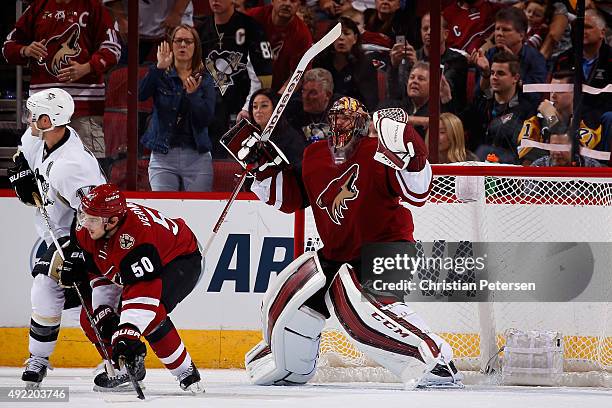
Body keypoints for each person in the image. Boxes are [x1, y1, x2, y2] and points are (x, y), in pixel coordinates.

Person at [241, 96, 463, 388]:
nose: (340, 122)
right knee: (288, 298)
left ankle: (436, 361)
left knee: (361, 310)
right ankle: (290, 366)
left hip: (388, 249)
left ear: (361, 122)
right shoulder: (314, 155)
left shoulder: (379, 152)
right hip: (337, 253)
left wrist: (410, 147)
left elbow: (418, 193)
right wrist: (261, 168)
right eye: (336, 115)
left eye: (348, 117)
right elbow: (292, 197)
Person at [59, 184, 205, 393]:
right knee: (94, 318)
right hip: (137, 263)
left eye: (92, 219)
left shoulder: (137, 242)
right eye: (84, 215)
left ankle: (185, 371)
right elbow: (101, 275)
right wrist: (105, 312)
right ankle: (125, 370)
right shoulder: (90, 230)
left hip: (179, 259)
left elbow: (143, 296)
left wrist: (127, 334)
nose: (84, 223)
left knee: (152, 315)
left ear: (112, 222)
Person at [6, 88, 106, 388]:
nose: (29, 119)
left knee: (88, 299)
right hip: (58, 235)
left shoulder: (72, 165)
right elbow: (22, 158)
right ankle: (39, 358)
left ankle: (116, 358)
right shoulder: (40, 139)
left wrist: (76, 251)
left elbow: (94, 216)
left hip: (87, 237)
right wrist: (22, 178)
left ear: (50, 120)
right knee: (49, 288)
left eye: (35, 115)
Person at [3, 0, 121, 168]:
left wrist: (88, 67)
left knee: (90, 169)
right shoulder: (38, 7)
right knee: (39, 170)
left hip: (83, 108)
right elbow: (8, 47)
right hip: (42, 110)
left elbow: (113, 47)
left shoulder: (93, 7)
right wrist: (25, 50)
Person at [139, 24, 216, 192]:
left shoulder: (205, 79)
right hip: (162, 155)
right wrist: (158, 68)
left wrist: (193, 95)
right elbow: (140, 95)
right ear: (171, 44)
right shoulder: (160, 74)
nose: (182, 45)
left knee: (198, 212)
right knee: (163, 212)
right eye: (178, 40)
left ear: (196, 47)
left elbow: (207, 118)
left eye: (188, 41)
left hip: (196, 156)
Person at [199, 0, 273, 158]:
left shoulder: (252, 28)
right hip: (211, 106)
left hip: (242, 106)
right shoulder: (201, 29)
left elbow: (262, 75)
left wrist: (248, 107)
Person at [466, 51, 534, 163]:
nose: (494, 77)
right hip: (476, 167)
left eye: (501, 73)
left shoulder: (526, 110)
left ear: (515, 78)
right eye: (492, 73)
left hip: (508, 171)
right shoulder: (482, 104)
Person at [388, 13, 468, 107]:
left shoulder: (457, 60)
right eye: (425, 29)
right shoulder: (410, 57)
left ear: (445, 34)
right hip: (412, 112)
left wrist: (417, 66)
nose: (429, 32)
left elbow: (442, 93)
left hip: (445, 114)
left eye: (434, 28)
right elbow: (399, 95)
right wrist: (394, 67)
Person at [246, 0, 313, 91]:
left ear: (299, 5)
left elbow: (298, 76)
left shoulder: (302, 35)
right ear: (272, 1)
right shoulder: (253, 16)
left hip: (274, 90)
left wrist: (278, 99)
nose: (287, 4)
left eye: (293, 1)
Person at [313, 17, 379, 110]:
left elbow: (369, 102)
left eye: (346, 33)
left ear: (355, 38)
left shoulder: (365, 64)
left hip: (353, 115)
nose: (341, 38)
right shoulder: (320, 62)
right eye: (336, 34)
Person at [380, 61, 454, 138]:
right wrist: (423, 121)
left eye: (421, 79)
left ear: (433, 85)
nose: (414, 81)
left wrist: (446, 102)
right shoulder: (398, 100)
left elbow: (450, 129)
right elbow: (375, 120)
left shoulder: (438, 108)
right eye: (412, 77)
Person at [248, 88, 306, 168]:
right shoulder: (251, 135)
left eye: (264, 106)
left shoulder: (291, 137)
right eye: (255, 106)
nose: (258, 110)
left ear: (276, 108)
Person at [286, 68, 338, 145]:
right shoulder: (293, 108)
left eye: (313, 93)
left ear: (328, 95)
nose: (305, 97)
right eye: (304, 91)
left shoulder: (342, 109)